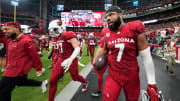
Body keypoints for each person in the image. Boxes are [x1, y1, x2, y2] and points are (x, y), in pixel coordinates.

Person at [94, 6, 159, 101]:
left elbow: (146, 56)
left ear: (120, 15)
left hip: (131, 76)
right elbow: (103, 49)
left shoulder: (133, 28)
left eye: (111, 15)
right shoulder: (106, 32)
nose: (108, 18)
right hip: (114, 74)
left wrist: (152, 83)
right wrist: (96, 59)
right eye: (107, 16)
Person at [0, 22, 48, 101]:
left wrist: (38, 68)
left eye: (6, 29)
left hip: (15, 70)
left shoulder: (26, 40)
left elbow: (34, 56)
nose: (4, 31)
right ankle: (42, 83)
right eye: (3, 30)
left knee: (3, 91)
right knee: (20, 82)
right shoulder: (9, 39)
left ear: (16, 28)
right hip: (13, 68)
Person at [48, 20, 88, 101]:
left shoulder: (68, 34)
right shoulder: (56, 38)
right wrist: (54, 62)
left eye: (55, 29)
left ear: (61, 28)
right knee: (52, 80)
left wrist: (70, 59)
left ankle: (85, 82)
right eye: (51, 30)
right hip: (62, 59)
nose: (52, 32)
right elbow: (56, 51)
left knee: (75, 77)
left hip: (71, 59)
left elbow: (77, 48)